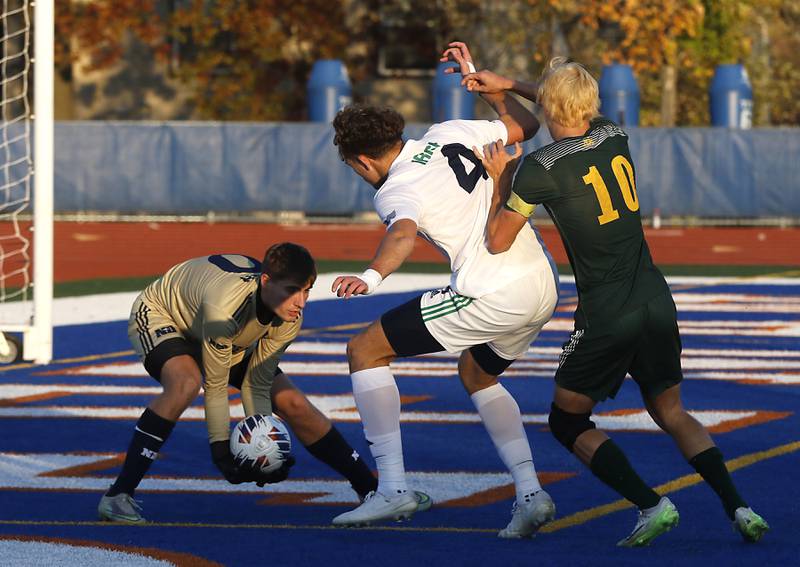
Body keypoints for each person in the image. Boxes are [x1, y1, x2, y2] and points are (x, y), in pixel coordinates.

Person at [469, 56, 769, 546]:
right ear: (590, 105)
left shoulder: (541, 168)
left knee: (566, 420)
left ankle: (651, 504)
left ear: (550, 106)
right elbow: (563, 102)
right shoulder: (612, 133)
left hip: (607, 312)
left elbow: (498, 240)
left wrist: (503, 176)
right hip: (654, 296)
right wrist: (509, 86)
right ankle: (739, 507)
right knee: (672, 410)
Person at [328, 43, 560, 538]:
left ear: (364, 159)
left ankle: (392, 489)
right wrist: (496, 94)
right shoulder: (450, 131)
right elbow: (528, 127)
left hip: (490, 290)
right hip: (542, 282)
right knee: (477, 372)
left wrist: (371, 276)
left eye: (353, 166)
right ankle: (529, 492)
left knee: (364, 350)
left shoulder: (394, 188)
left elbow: (402, 235)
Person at [98, 243, 430, 523]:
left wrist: (265, 440)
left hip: (224, 332)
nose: (300, 301)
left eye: (306, 290)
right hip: (165, 314)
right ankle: (119, 494)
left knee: (293, 403)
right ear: (266, 281)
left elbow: (256, 383)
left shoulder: (290, 314)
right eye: (291, 291)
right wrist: (220, 451)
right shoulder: (224, 308)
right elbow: (214, 385)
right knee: (185, 382)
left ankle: (371, 490)